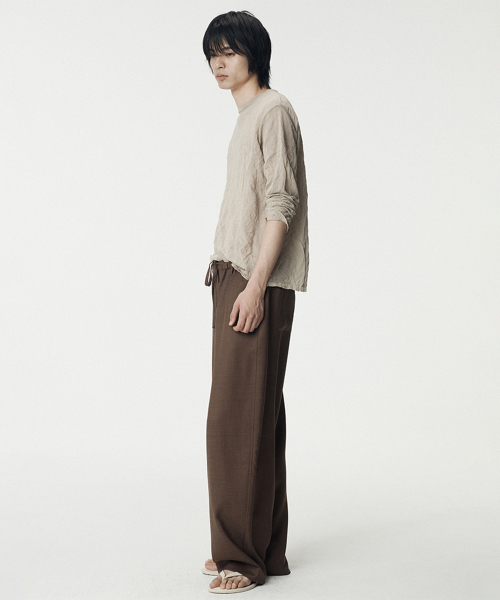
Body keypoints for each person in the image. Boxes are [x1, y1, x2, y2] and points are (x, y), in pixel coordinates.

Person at [202, 10, 309, 594]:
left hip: (252, 280)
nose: (218, 62)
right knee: (254, 415)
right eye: (212, 53)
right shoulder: (249, 116)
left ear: (254, 55)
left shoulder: (273, 111)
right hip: (235, 275)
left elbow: (280, 202)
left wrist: (255, 285)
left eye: (229, 50)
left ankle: (240, 558)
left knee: (236, 420)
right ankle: (261, 548)